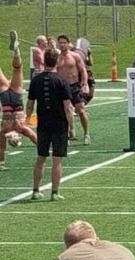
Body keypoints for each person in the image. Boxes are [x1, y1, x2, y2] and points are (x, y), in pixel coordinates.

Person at [26, 47, 72, 201]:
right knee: (57, 159)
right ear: (57, 61)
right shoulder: (61, 81)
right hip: (59, 125)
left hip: (43, 124)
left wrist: (27, 120)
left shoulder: (36, 80)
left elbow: (30, 104)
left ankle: (35, 190)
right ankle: (54, 192)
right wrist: (71, 126)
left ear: (44, 60)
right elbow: (68, 107)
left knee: (41, 158)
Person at [0, 35, 37, 170]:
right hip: (9, 101)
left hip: (14, 100)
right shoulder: (9, 130)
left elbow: (34, 137)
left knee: (18, 69)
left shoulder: (16, 129)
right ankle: (16, 50)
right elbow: (34, 137)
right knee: (17, 70)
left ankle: (16, 50)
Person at [56, 34, 90, 143]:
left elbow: (83, 70)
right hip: (62, 88)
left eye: (64, 42)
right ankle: (71, 131)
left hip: (75, 86)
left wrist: (84, 84)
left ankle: (86, 134)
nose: (62, 45)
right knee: (66, 110)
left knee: (81, 111)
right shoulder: (56, 58)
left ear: (68, 43)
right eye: (60, 43)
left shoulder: (75, 56)